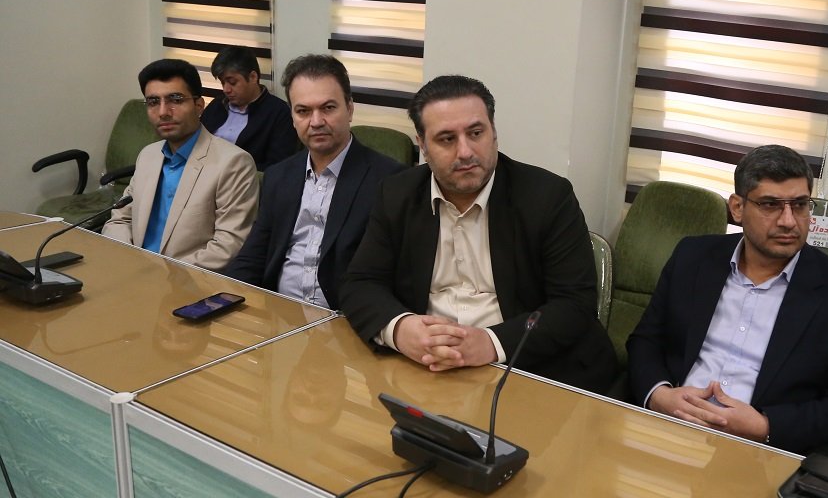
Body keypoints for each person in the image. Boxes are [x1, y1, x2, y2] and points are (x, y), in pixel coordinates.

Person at [339, 74, 618, 393]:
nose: (465, 151)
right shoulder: (396, 194)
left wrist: (491, 343)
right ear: (423, 145)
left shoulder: (547, 197)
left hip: (529, 371)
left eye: (476, 133)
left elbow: (574, 304)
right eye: (446, 139)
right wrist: (401, 329)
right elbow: (361, 282)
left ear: (494, 133)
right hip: (426, 370)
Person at [625, 145, 828, 455]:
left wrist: (765, 426)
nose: (789, 221)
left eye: (800, 205)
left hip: (761, 450)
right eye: (770, 205)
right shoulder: (693, 256)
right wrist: (659, 396)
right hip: (669, 424)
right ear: (737, 208)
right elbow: (646, 340)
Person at [224, 54, 405, 310]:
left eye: (328, 108)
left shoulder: (389, 181)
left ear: (350, 109)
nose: (316, 121)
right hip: (278, 313)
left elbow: (389, 277)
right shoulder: (279, 176)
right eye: (303, 111)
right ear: (292, 117)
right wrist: (223, 303)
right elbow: (253, 256)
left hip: (345, 319)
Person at [102, 59, 258, 270]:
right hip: (133, 271)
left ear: (199, 105)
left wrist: (160, 274)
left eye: (175, 99)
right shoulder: (148, 155)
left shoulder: (233, 163)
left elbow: (228, 247)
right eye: (153, 102)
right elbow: (120, 219)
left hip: (189, 280)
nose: (163, 112)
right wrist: (129, 260)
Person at [200, 45, 296, 170]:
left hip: (242, 177)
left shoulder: (279, 113)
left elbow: (278, 167)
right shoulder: (218, 105)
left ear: (253, 77)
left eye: (232, 82)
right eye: (223, 82)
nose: (226, 89)